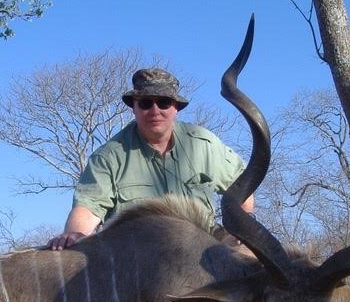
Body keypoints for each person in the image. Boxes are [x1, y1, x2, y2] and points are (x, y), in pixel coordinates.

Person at [49, 68, 254, 250]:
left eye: (163, 103)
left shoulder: (202, 144)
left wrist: (242, 229)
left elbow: (242, 185)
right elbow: (88, 207)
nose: (155, 111)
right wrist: (75, 233)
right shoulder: (109, 156)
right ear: (134, 108)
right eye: (146, 103)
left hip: (203, 250)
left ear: (175, 108)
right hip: (139, 258)